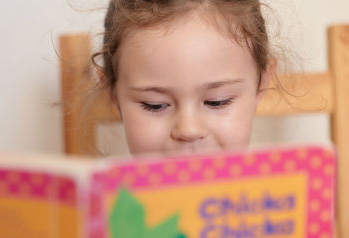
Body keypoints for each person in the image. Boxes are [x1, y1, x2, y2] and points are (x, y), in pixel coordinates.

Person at [92, 0, 275, 156]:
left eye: (217, 102)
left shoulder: (282, 194)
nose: (189, 130)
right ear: (112, 92)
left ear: (261, 84)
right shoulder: (109, 198)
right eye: (155, 105)